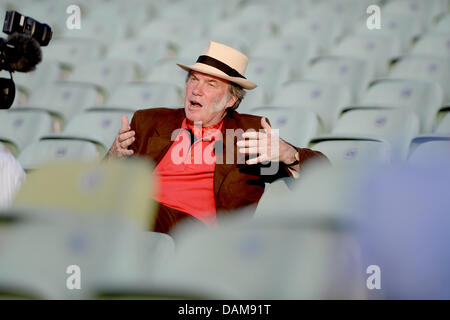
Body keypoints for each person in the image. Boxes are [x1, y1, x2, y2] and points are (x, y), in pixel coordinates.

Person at [107, 41, 327, 233]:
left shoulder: (248, 135)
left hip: (195, 234)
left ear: (231, 99)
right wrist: (112, 158)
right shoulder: (149, 121)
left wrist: (290, 155)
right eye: (193, 80)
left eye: (211, 84)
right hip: (135, 223)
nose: (197, 90)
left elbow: (322, 173)